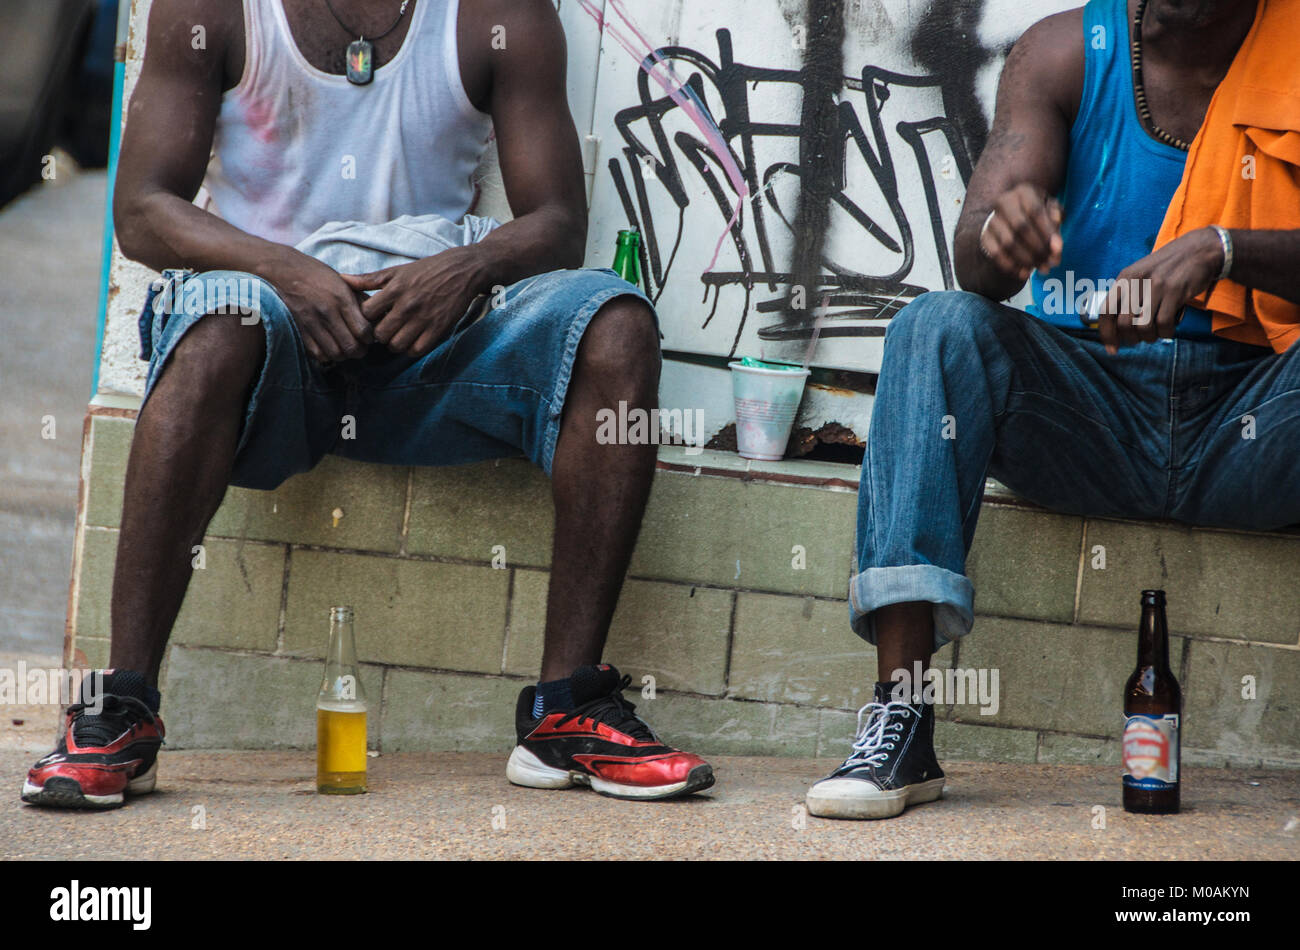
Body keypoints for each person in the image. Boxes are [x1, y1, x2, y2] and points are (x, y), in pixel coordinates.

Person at [22, 0, 714, 809]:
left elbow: (558, 222)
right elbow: (141, 210)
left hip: (435, 345)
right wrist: (285, 272)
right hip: (273, 351)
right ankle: (120, 710)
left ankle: (565, 712)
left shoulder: (499, 14)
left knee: (618, 325)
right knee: (217, 324)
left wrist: (468, 268)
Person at [807, 0, 1300, 820]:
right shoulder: (1066, 51)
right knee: (936, 327)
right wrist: (1003, 239)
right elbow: (977, 263)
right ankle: (900, 718)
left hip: (1254, 421)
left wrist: (1223, 248)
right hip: (1089, 415)